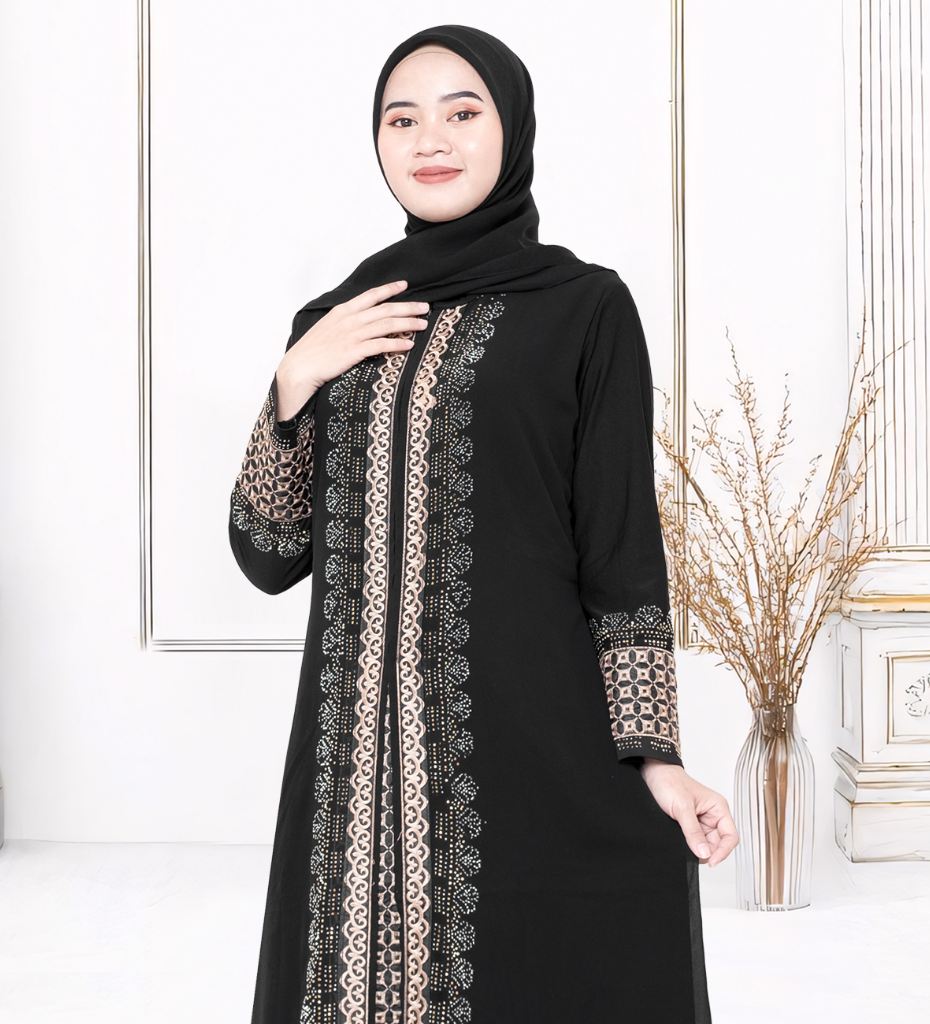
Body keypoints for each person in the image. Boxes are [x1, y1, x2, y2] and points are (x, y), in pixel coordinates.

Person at [230, 24, 737, 1024]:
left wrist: (656, 754)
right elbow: (267, 554)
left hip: (532, 741)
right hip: (353, 764)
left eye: (462, 113)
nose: (431, 139)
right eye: (402, 119)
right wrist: (292, 383)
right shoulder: (334, 320)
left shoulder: (585, 309)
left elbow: (620, 550)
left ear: (512, 130)